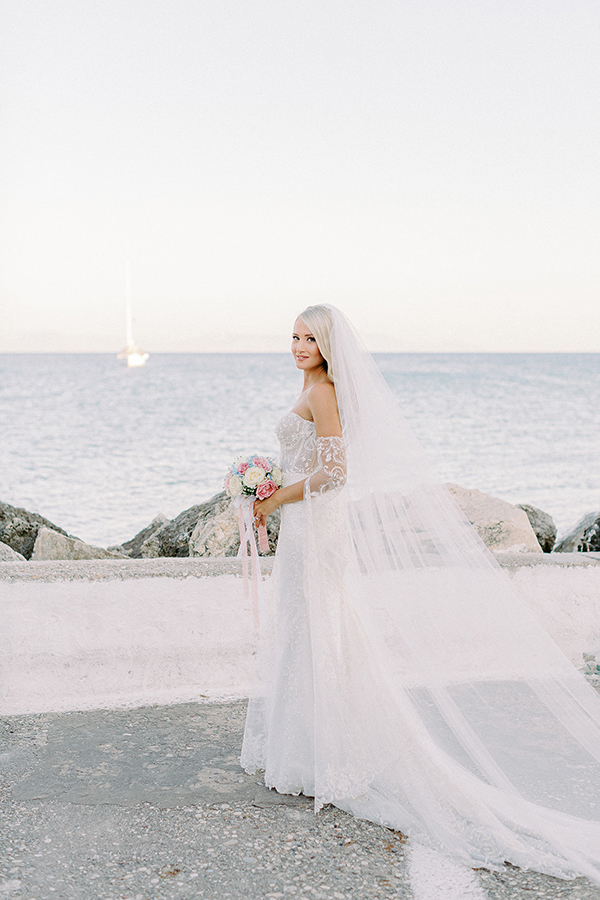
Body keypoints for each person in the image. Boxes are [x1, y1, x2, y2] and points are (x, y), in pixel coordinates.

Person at [242, 304, 600, 885]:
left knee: (321, 626)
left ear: (329, 346)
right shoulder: (309, 387)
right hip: (305, 524)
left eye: (310, 338)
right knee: (306, 627)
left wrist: (275, 497)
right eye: (295, 336)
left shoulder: (324, 392)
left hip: (316, 525)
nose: (300, 346)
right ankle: (310, 748)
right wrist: (267, 489)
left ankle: (330, 754)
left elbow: (336, 473)